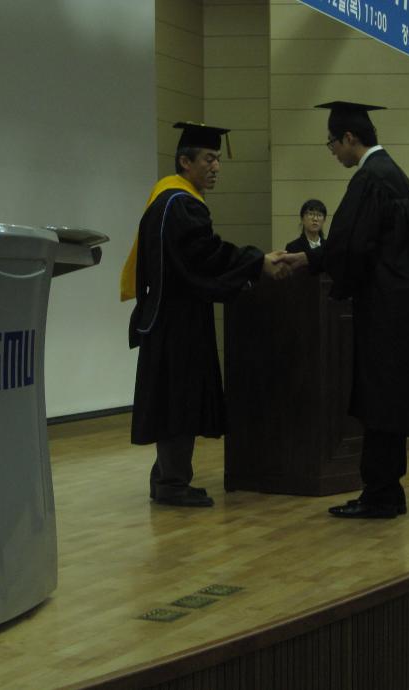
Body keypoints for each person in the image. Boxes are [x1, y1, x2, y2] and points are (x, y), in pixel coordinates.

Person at [121, 122, 288, 507]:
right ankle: (172, 483)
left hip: (166, 316)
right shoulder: (181, 204)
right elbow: (207, 255)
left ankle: (165, 477)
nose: (216, 167)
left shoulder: (163, 200)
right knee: (179, 398)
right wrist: (256, 262)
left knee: (172, 397)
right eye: (209, 159)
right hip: (179, 321)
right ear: (185, 161)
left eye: (217, 160)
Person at [278, 101, 409, 519]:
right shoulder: (396, 176)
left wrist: (311, 262)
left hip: (384, 310)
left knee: (379, 401)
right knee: (390, 401)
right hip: (405, 307)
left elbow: (351, 244)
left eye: (332, 142)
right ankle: (388, 491)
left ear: (349, 138)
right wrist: (313, 257)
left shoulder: (370, 179)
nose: (332, 151)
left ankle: (379, 495)